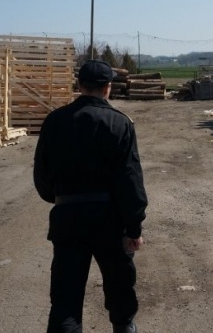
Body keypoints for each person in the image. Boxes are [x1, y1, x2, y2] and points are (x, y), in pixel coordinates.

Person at [34, 59, 148, 333]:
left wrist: (62, 199)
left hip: (67, 219)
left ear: (79, 85)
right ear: (108, 87)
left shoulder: (55, 121)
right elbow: (130, 179)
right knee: (120, 289)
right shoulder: (119, 123)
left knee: (65, 299)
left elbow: (42, 175)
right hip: (110, 221)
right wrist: (133, 227)